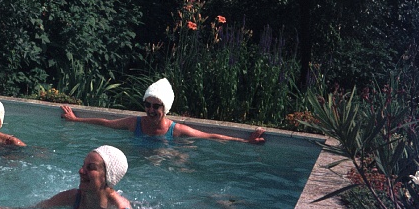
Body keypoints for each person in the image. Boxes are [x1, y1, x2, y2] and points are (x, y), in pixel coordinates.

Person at [60, 77, 266, 144]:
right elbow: (105, 123)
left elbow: (210, 136)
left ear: (165, 108)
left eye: (156, 106)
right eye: (147, 105)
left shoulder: (175, 131)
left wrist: (245, 141)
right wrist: (75, 120)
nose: (150, 109)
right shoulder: (135, 123)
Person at [0, 145, 133, 209]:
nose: (81, 171)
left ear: (107, 177)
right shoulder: (73, 197)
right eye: (83, 165)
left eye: (91, 167)